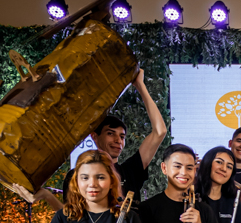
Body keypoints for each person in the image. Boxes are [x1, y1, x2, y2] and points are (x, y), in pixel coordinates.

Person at [39, 69, 167, 210]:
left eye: (122, 136)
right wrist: (47, 196)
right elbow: (70, 220)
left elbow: (160, 132)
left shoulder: (131, 169)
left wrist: (140, 85)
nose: (118, 140)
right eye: (111, 133)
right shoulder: (77, 176)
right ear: (94, 136)